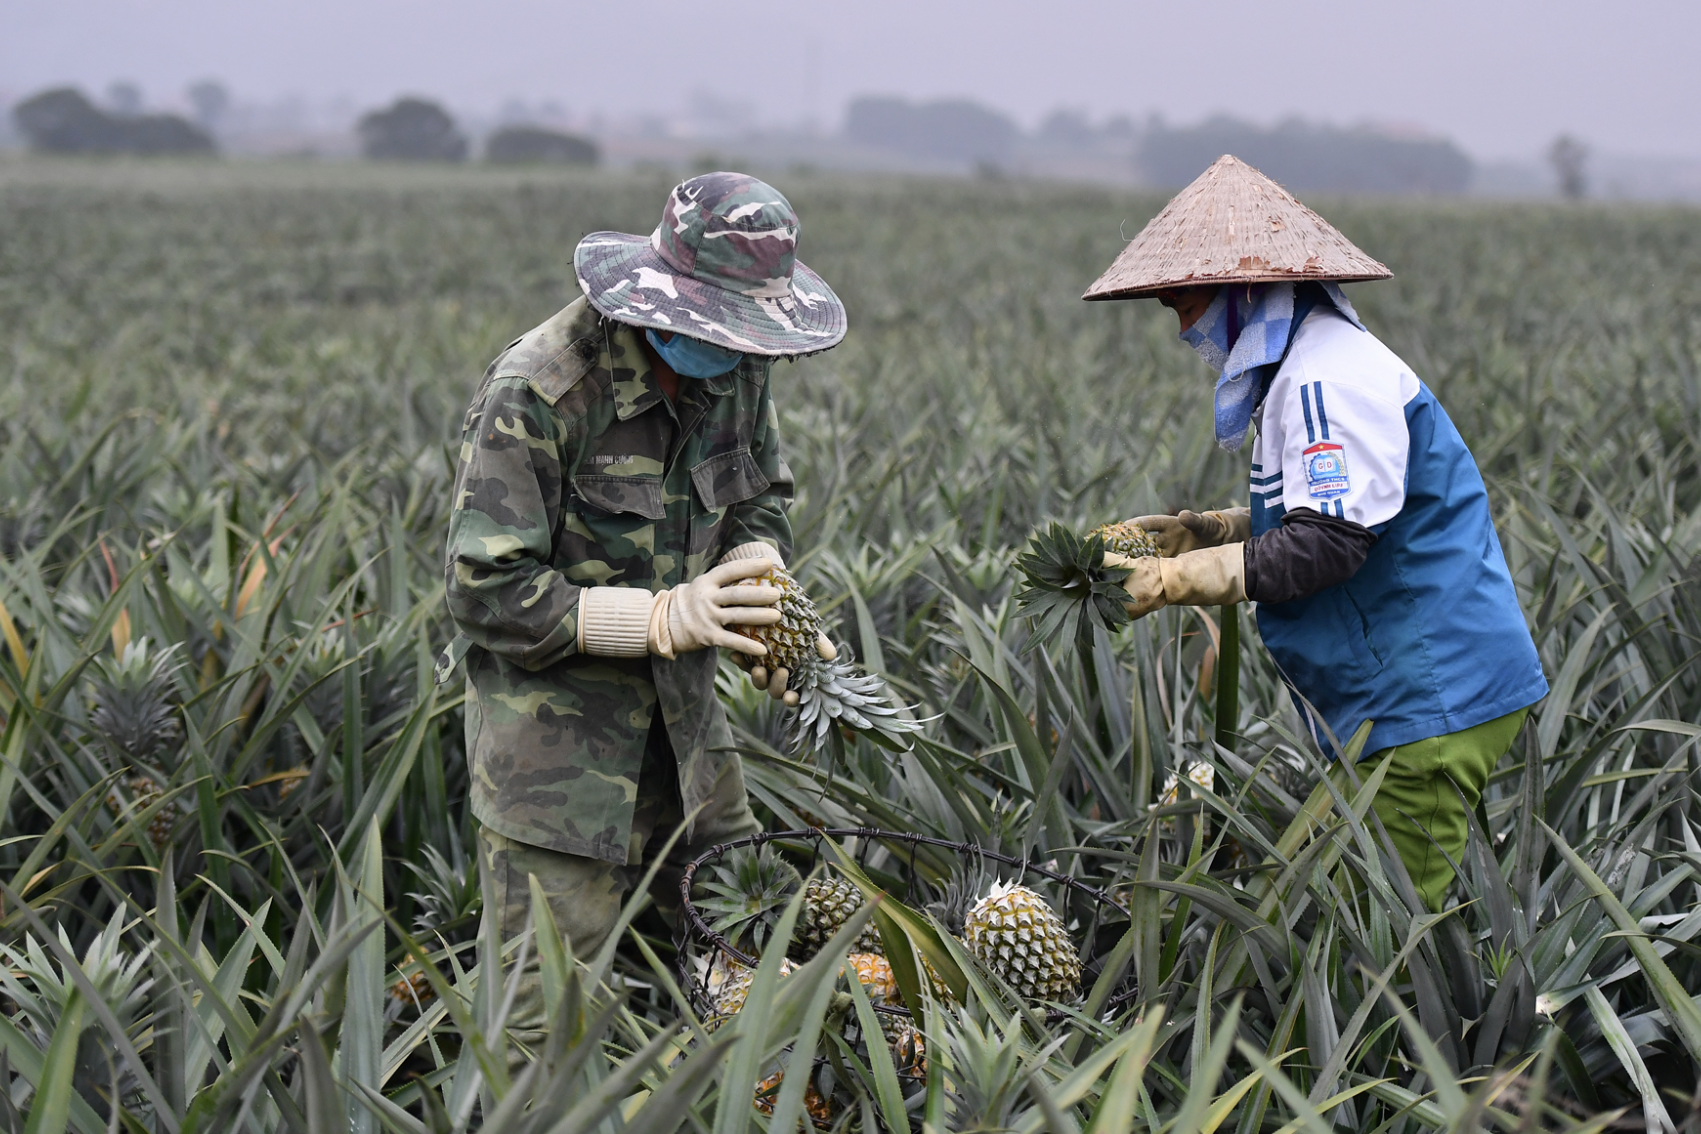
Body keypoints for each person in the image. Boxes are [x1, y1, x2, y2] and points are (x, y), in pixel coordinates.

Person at [439, 172, 842, 1043]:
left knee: (750, 951)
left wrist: (754, 569)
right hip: (558, 765)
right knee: (545, 1024)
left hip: (689, 741)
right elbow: (484, 591)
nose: (738, 352)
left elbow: (758, 493)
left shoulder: (734, 368)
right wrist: (657, 618)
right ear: (665, 300)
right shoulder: (540, 392)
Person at [1083, 155, 1549, 911]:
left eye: (1183, 304)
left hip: (1424, 699)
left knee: (1385, 949)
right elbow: (1327, 512)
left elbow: (1329, 543)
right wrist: (1207, 531)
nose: (1181, 328)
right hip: (1410, 696)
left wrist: (1174, 580)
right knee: (1416, 917)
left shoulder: (1327, 376)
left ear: (1239, 289)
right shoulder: (1306, 368)